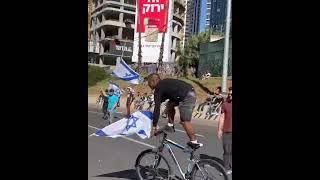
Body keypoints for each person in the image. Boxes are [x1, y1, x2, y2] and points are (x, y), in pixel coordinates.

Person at [147, 73, 203, 148]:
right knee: (170, 104)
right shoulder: (165, 83)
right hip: (187, 91)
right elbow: (163, 99)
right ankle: (170, 125)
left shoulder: (158, 88)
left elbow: (157, 108)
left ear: (154, 81)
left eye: (149, 83)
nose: (148, 85)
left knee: (184, 121)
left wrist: (154, 126)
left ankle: (194, 142)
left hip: (186, 96)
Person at [217, 87, 232, 175]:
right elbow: (222, 117)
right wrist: (219, 130)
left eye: (231, 94)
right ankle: (226, 169)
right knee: (227, 150)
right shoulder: (225, 104)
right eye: (229, 94)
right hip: (227, 131)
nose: (230, 96)